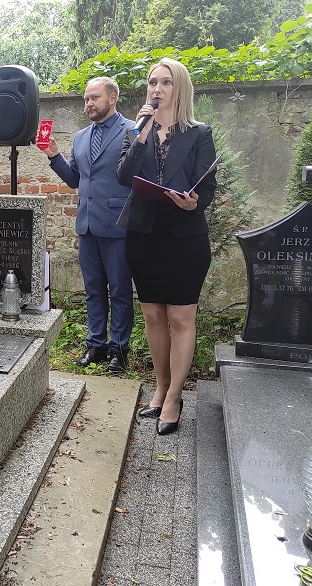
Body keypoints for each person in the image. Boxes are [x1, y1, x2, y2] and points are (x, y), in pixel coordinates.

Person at [116, 58, 217, 435]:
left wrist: (194, 202)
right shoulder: (135, 131)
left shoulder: (198, 133)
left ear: (180, 89)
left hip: (184, 236)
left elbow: (206, 187)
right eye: (151, 82)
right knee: (154, 316)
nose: (157, 89)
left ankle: (174, 396)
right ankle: (159, 388)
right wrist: (141, 131)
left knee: (180, 318)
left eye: (166, 82)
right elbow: (124, 176)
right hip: (143, 235)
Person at [41, 76, 135, 373]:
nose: (88, 104)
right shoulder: (81, 137)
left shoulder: (132, 130)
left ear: (112, 98)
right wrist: (54, 154)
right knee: (93, 289)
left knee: (119, 290)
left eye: (94, 98)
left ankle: (119, 350)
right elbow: (74, 180)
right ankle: (96, 344)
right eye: (86, 99)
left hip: (119, 225)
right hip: (87, 226)